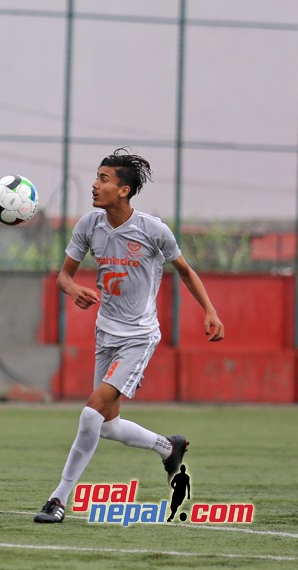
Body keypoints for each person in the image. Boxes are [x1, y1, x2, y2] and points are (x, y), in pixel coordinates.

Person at [33, 148, 224, 524]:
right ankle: (168, 447)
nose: (94, 184)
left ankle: (58, 499)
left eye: (103, 179)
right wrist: (73, 290)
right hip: (105, 334)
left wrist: (210, 310)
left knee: (90, 416)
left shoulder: (152, 230)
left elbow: (184, 270)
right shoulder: (89, 225)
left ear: (124, 190)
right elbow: (64, 276)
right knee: (107, 425)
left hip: (138, 337)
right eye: (96, 177)